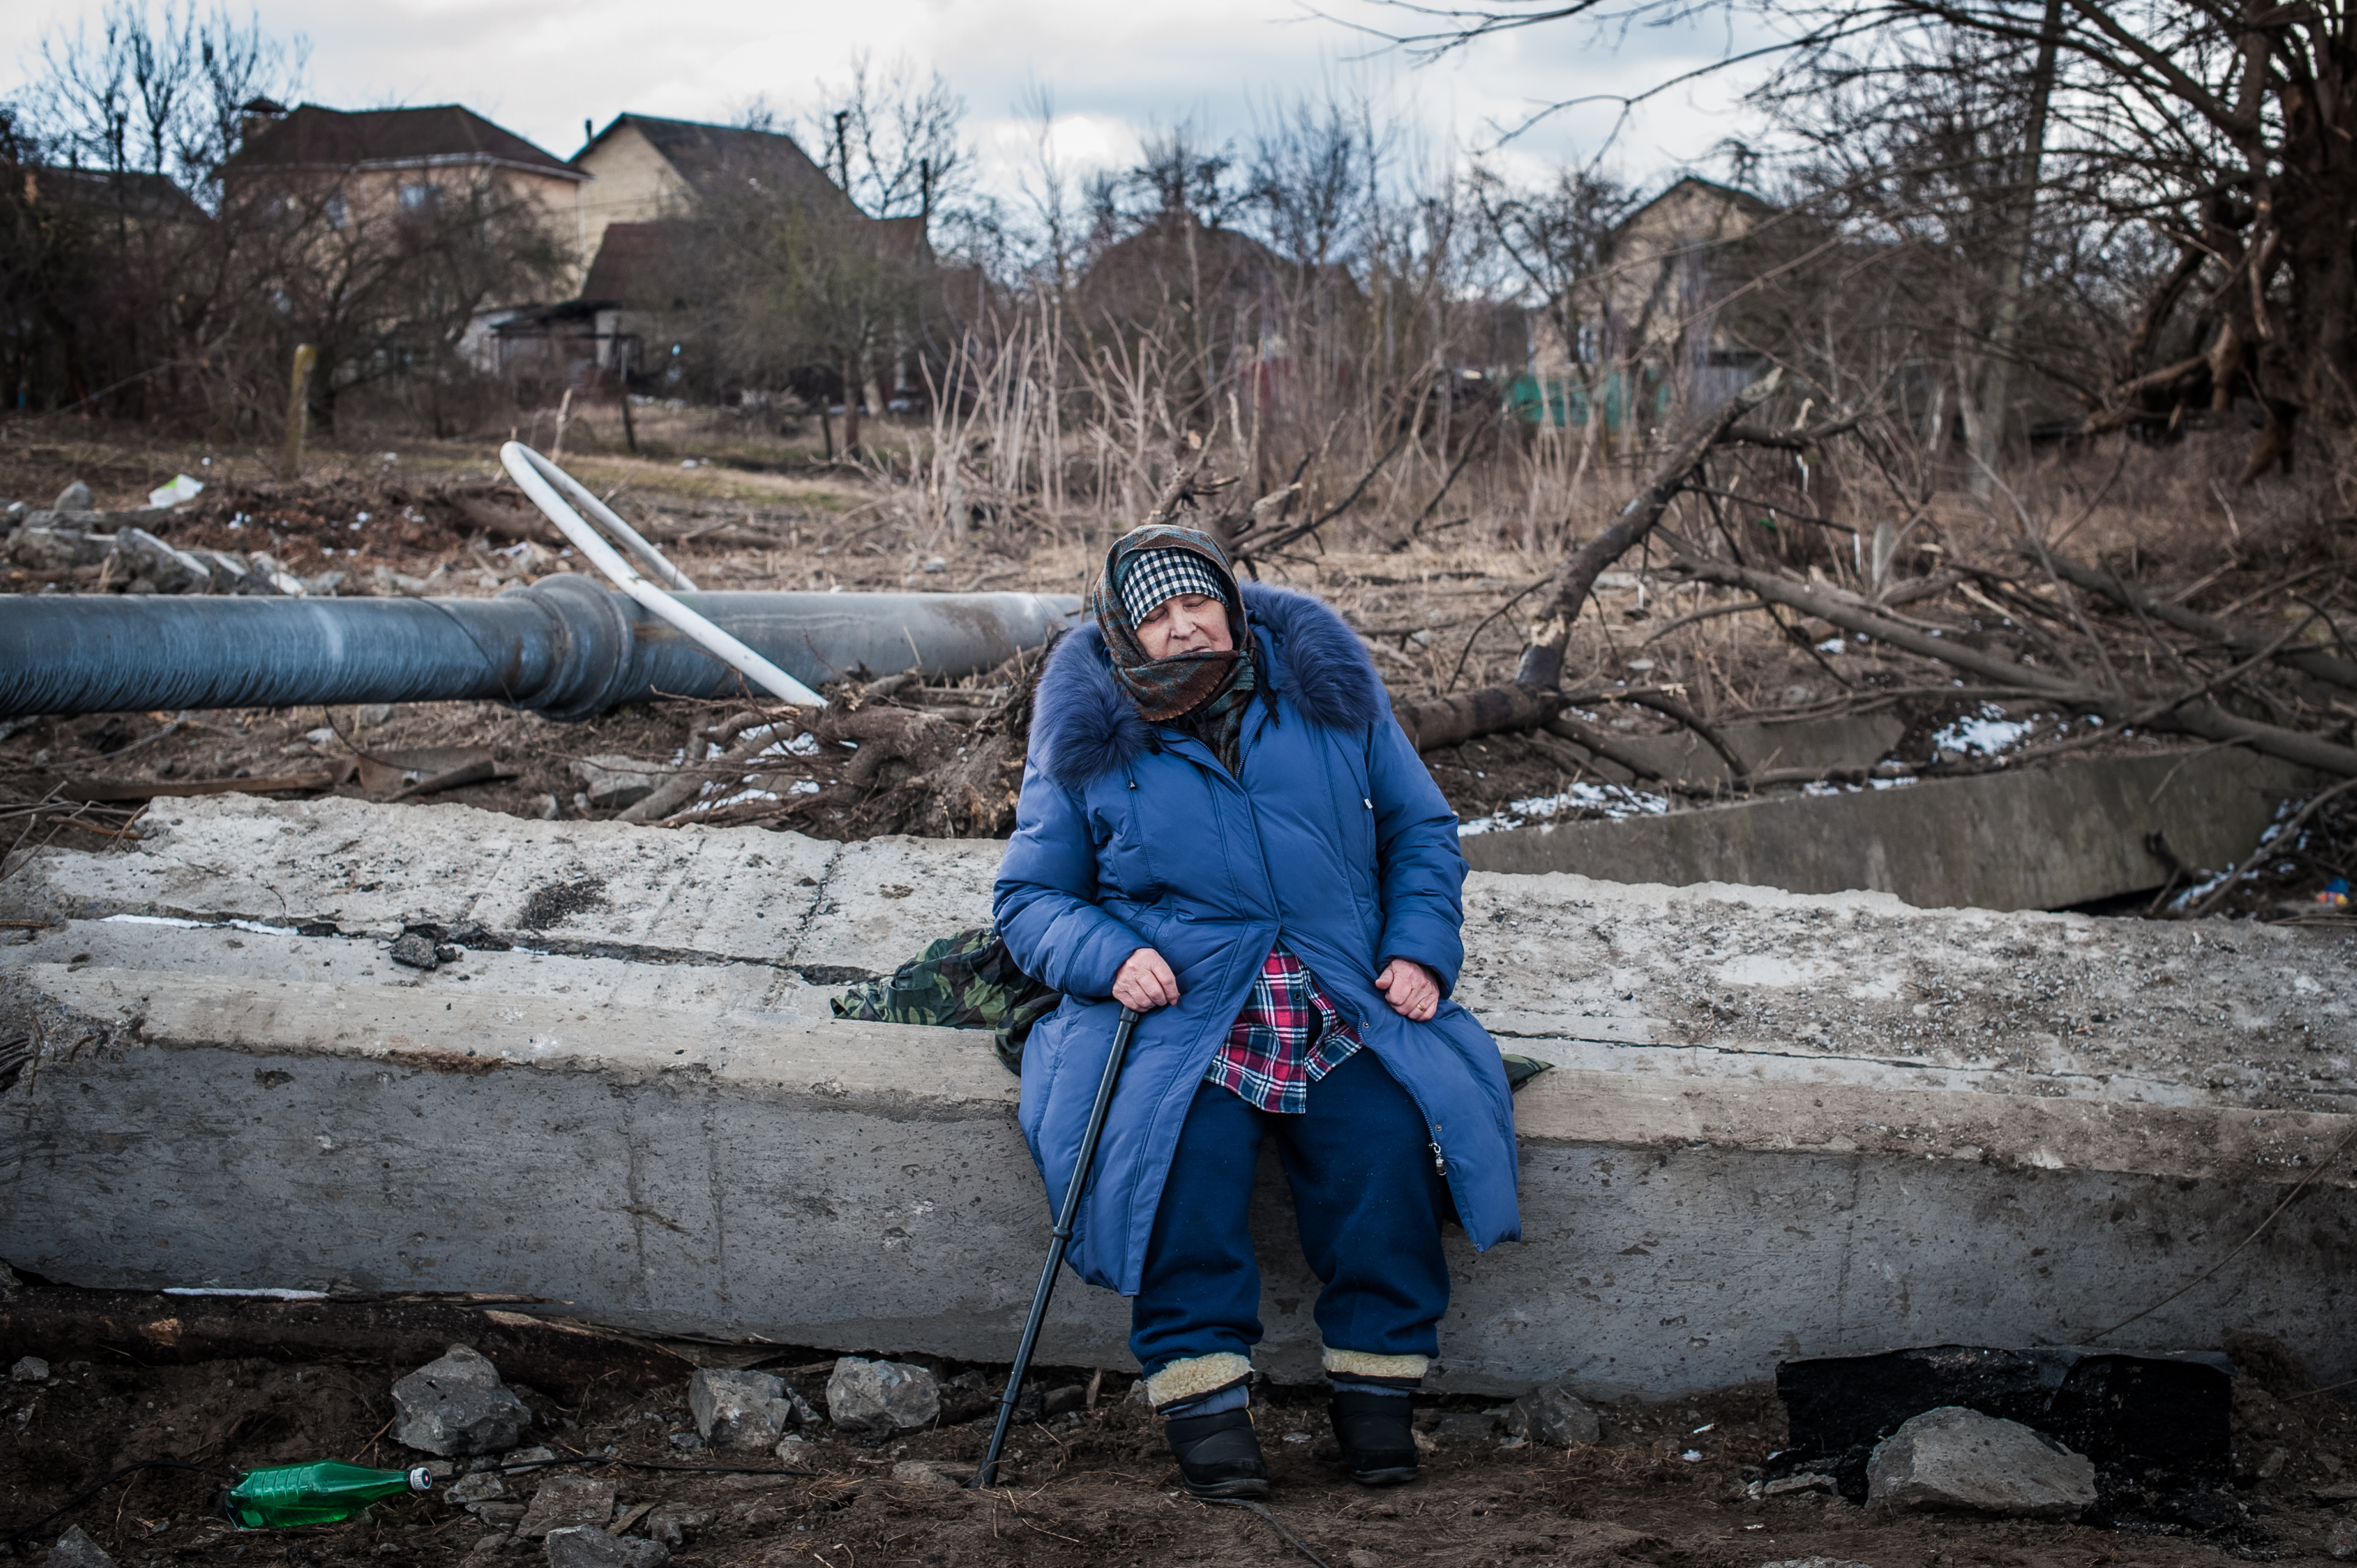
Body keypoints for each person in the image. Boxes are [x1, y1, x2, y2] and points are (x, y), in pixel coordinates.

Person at [993, 522, 1521, 1499]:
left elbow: (1420, 828)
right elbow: (1029, 900)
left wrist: (1418, 948)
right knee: (1175, 1165)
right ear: (1123, 635)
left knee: (1388, 1147)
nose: (1187, 628)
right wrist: (1112, 957)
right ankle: (1204, 1406)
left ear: (1231, 607)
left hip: (1336, 990)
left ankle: (1377, 1394)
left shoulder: (1327, 694)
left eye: (1200, 604)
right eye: (1158, 616)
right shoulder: (1085, 733)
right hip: (1184, 1008)